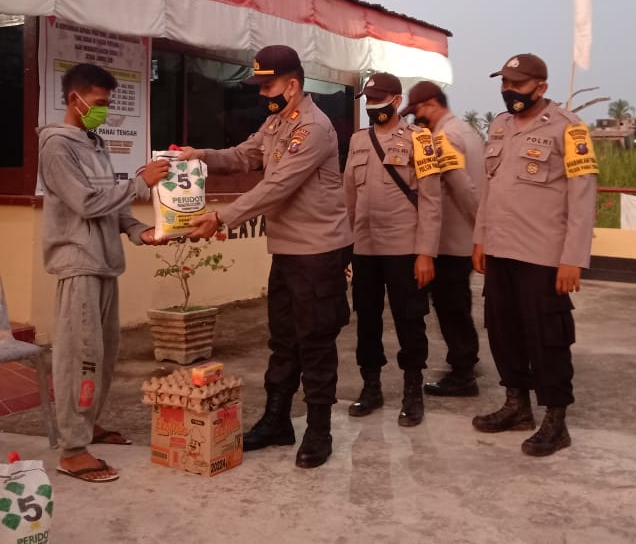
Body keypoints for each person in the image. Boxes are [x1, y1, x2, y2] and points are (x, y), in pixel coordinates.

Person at [182, 45, 353, 469]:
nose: (262, 93)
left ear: (292, 85)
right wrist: (199, 156)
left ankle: (318, 429)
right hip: (287, 250)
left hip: (318, 251)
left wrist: (221, 218)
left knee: (315, 342)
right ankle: (278, 420)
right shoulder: (277, 123)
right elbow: (244, 155)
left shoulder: (312, 127)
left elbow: (276, 186)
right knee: (283, 339)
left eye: (268, 85)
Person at [38, 63, 169, 483]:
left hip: (106, 263)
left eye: (108, 104)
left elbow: (112, 205)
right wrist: (140, 182)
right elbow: (88, 203)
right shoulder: (57, 147)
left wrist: (137, 230)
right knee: (80, 358)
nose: (105, 111)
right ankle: (72, 450)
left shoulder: (94, 142)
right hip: (78, 264)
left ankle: (87, 424)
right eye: (99, 103)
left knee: (104, 354)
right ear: (74, 99)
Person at [471, 53, 598, 456]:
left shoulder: (569, 129)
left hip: (544, 255)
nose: (509, 91)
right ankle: (516, 406)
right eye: (505, 84)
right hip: (501, 250)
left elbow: (582, 196)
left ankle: (555, 421)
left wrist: (572, 258)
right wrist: (480, 239)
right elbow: (488, 189)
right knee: (504, 332)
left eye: (518, 84)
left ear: (540, 87)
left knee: (548, 338)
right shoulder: (500, 125)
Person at [344, 72, 442, 426]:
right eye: (368, 101)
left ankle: (412, 390)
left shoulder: (421, 140)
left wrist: (426, 252)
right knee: (366, 320)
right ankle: (371, 386)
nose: (373, 107)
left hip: (405, 249)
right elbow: (348, 197)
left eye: (379, 100)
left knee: (409, 321)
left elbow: (431, 200)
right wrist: (346, 247)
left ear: (397, 101)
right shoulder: (358, 141)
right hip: (365, 248)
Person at [399, 80, 485, 397]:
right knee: (457, 304)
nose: (414, 119)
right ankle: (465, 361)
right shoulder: (467, 130)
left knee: (452, 307)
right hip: (462, 238)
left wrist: (481, 227)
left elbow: (460, 186)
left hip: (451, 240)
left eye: (417, 111)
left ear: (432, 104)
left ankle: (463, 373)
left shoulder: (445, 137)